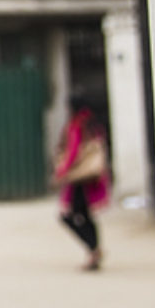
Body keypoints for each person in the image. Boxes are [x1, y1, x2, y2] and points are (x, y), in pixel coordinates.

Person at [55, 92, 113, 272]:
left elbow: (73, 151)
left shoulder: (77, 125)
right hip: (91, 177)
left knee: (68, 216)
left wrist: (62, 171)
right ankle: (94, 251)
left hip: (80, 179)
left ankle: (94, 250)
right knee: (86, 215)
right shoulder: (93, 123)